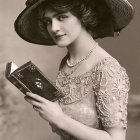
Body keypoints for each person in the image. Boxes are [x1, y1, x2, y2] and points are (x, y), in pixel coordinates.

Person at [14, 0, 134, 139]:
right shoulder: (67, 63)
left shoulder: (107, 69)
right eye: (47, 21)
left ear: (84, 16)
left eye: (61, 17)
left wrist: (59, 118)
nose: (54, 28)